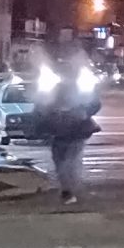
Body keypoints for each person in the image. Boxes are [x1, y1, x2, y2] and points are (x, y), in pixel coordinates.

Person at [42, 53, 102, 207]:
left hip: (74, 133)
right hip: (62, 133)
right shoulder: (56, 89)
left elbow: (94, 104)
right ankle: (69, 189)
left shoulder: (78, 88)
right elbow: (44, 107)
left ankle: (69, 191)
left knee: (68, 162)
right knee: (63, 162)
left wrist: (83, 112)